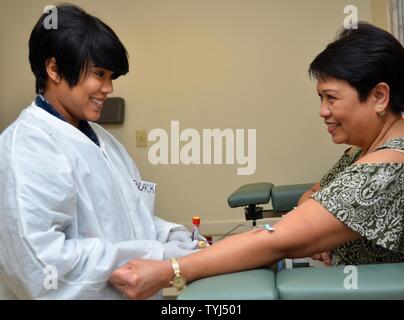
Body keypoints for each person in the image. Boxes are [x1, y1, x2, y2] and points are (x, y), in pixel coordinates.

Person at [109, 22, 404, 299]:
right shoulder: (362, 152)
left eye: (331, 98)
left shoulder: (387, 168)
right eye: (320, 98)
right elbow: (311, 198)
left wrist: (169, 271)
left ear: (379, 96)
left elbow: (277, 239)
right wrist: (322, 231)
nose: (322, 111)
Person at [0, 4, 198, 300]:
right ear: (53, 69)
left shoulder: (103, 141)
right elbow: (40, 266)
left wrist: (169, 234)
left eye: (111, 77)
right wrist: (156, 253)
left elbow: (129, 220)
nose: (108, 88)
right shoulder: (26, 146)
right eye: (99, 74)